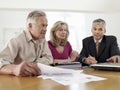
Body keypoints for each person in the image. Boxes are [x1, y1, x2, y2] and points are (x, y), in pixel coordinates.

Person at [0, 10, 53, 76]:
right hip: (18, 81)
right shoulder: (17, 40)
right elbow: (1, 62)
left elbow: (49, 58)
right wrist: (15, 69)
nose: (45, 29)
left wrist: (34, 65)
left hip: (34, 79)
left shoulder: (42, 39)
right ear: (30, 26)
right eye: (42, 25)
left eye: (46, 26)